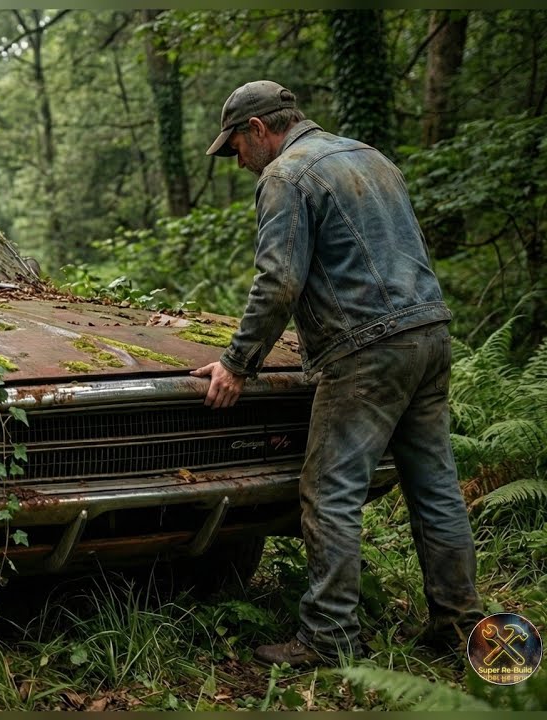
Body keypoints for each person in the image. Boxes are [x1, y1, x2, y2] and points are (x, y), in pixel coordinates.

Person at [189, 80, 484, 667]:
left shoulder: (286, 175)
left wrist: (236, 363)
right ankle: (459, 625)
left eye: (235, 149)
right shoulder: (369, 156)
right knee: (435, 488)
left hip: (366, 351)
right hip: (430, 332)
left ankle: (328, 638)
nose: (238, 163)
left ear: (258, 129)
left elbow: (278, 282)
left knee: (329, 492)